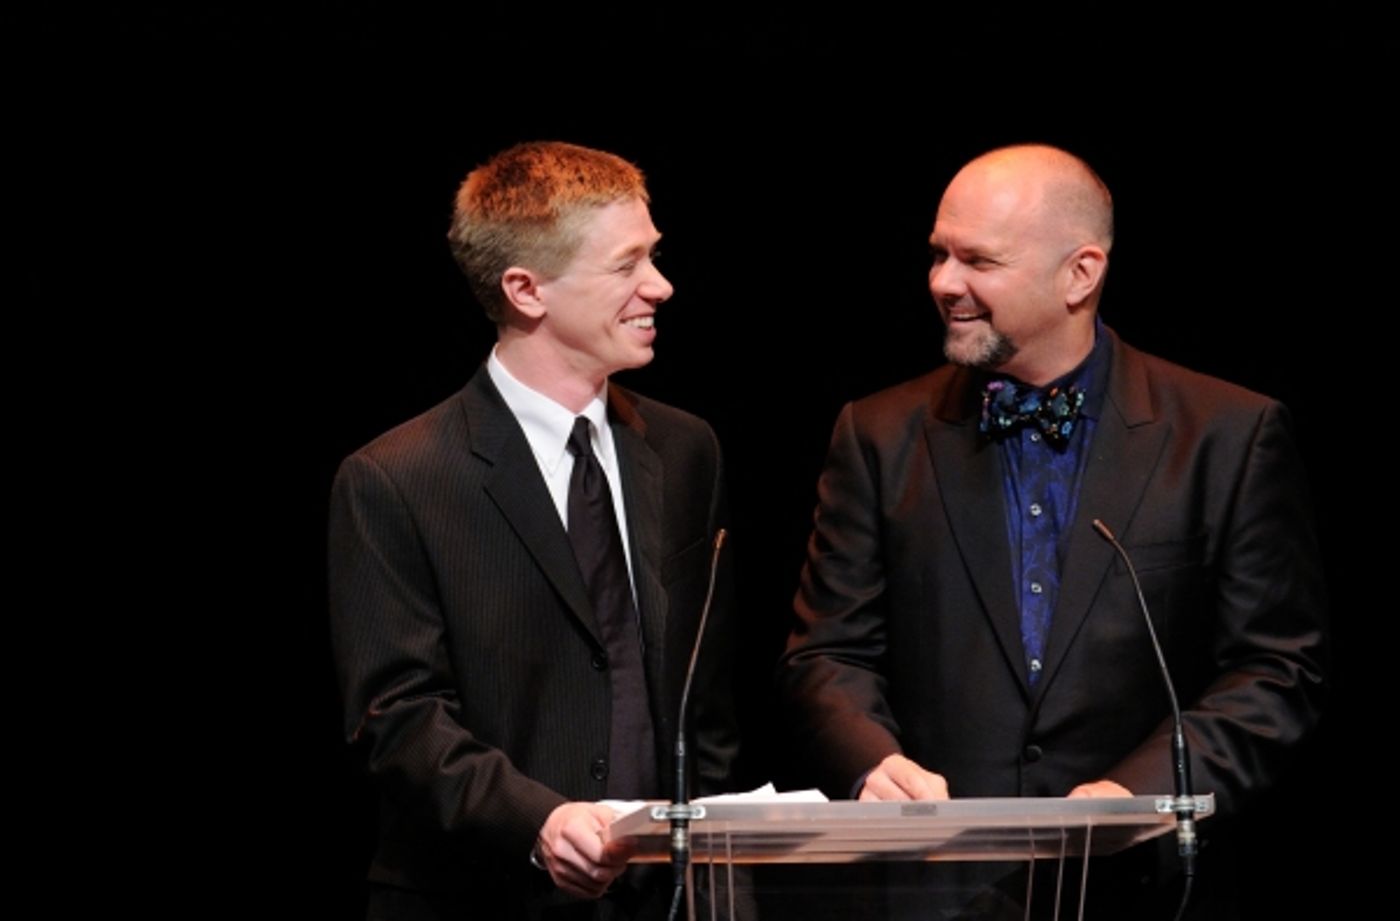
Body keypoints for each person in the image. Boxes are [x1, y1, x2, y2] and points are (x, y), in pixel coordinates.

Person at [775, 144, 1327, 917]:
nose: (943, 283)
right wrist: (875, 761)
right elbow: (828, 651)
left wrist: (1137, 794)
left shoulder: (1227, 434)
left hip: (1144, 888)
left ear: (1081, 273)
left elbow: (1274, 670)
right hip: (937, 883)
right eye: (938, 254)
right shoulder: (879, 434)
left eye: (978, 260)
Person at [328, 141, 739, 920]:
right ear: (526, 289)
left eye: (654, 256)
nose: (661, 285)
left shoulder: (685, 449)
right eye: (627, 265)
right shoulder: (398, 478)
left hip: (668, 897)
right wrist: (540, 820)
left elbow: (703, 701)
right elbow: (399, 719)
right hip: (485, 894)